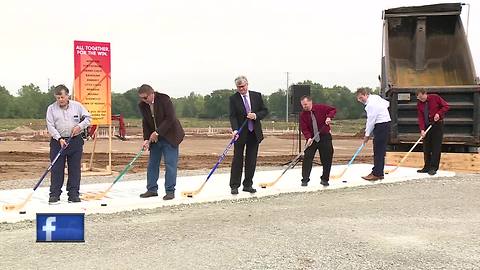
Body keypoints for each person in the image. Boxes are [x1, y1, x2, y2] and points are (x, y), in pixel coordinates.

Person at [137, 84, 185, 200]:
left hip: (170, 136)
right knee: (152, 164)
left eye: (145, 97)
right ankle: (152, 189)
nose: (143, 100)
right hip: (155, 139)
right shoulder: (143, 105)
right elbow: (146, 122)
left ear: (152, 94)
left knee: (170, 164)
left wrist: (157, 132)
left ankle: (170, 191)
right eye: (141, 98)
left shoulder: (164, 99)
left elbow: (170, 118)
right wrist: (146, 139)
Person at [46, 84, 91, 204]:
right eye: (57, 98)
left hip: (75, 141)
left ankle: (73, 194)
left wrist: (79, 126)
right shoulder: (51, 108)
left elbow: (88, 118)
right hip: (58, 142)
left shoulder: (77, 106)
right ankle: (55, 195)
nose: (60, 100)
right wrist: (59, 138)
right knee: (57, 169)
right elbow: (50, 125)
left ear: (67, 96)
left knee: (75, 169)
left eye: (62, 97)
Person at [229, 75, 268, 195]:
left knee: (251, 160)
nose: (241, 89)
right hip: (240, 133)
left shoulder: (256, 96)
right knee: (237, 160)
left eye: (243, 86)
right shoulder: (233, 99)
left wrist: (256, 115)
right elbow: (232, 116)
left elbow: (265, 110)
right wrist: (235, 130)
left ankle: (248, 184)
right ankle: (234, 185)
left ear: (247, 84)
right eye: (239, 87)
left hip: (254, 133)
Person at [299, 95, 336, 187]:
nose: (305, 106)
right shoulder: (302, 115)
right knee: (307, 158)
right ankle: (305, 180)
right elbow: (304, 128)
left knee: (327, 158)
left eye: (306, 104)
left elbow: (333, 110)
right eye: (303, 105)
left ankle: (325, 179)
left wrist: (329, 117)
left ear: (311, 102)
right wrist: (308, 138)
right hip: (312, 139)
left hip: (324, 137)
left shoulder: (321, 107)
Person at [356, 88, 391, 181]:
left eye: (361, 98)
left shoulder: (370, 105)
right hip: (386, 123)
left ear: (366, 94)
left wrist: (367, 135)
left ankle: (377, 173)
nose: (360, 100)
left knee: (378, 150)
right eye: (358, 99)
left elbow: (371, 121)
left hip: (381, 125)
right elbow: (387, 104)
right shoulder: (376, 97)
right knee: (380, 150)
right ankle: (379, 171)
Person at [416, 89, 449, 175]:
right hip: (427, 126)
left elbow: (446, 106)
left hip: (437, 125)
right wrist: (422, 130)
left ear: (425, 94)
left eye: (421, 97)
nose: (420, 99)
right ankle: (426, 167)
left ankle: (433, 167)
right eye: (418, 98)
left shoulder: (435, 97)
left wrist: (439, 113)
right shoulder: (419, 104)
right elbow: (421, 117)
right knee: (426, 147)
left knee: (436, 147)